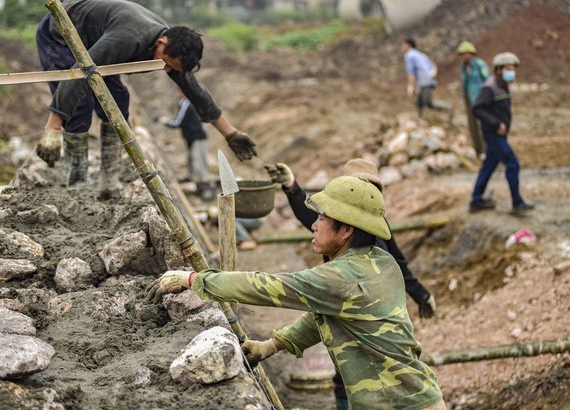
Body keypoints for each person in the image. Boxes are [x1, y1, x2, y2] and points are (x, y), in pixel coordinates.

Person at [149, 176, 445, 409]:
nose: (313, 226)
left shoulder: (340, 278)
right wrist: (272, 345)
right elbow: (326, 315)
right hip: (417, 398)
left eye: (322, 219)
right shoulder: (381, 262)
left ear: (346, 231)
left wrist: (195, 280)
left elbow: (267, 286)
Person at [34, 0, 257, 199]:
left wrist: (230, 133)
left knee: (119, 100)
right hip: (60, 33)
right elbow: (80, 75)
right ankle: (77, 184)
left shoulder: (174, 51)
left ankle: (108, 182)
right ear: (161, 41)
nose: (166, 69)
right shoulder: (128, 39)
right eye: (166, 63)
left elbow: (197, 93)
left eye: (172, 68)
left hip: (95, 44)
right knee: (80, 107)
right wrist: (52, 129)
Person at [265, 159, 436, 410]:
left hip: (374, 309)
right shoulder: (336, 217)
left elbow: (399, 262)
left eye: (370, 186)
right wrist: (292, 187)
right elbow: (309, 216)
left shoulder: (378, 225)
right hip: (343, 303)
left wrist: (421, 294)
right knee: (346, 367)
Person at [470, 52, 534, 214]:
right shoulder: (490, 87)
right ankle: (517, 203)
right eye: (507, 69)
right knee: (512, 164)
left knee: (489, 166)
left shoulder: (502, 86)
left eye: (512, 69)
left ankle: (476, 199)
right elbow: (477, 108)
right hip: (494, 135)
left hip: (498, 135)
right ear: (498, 70)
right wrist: (495, 123)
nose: (510, 72)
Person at [160, 90, 216, 201]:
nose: (177, 94)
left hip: (197, 137)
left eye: (180, 92)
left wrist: (165, 121)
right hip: (193, 138)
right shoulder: (184, 104)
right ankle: (198, 186)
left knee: (198, 162)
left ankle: (206, 188)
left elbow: (177, 122)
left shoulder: (186, 104)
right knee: (193, 161)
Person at [402, 37, 452, 117]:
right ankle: (419, 118)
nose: (402, 47)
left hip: (424, 81)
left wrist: (410, 86)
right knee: (419, 102)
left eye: (404, 45)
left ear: (409, 45)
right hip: (428, 80)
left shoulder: (409, 55)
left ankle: (448, 108)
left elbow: (411, 72)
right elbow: (433, 68)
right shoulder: (421, 55)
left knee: (427, 103)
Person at [458, 41, 491, 158]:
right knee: (472, 124)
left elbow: (488, 80)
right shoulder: (463, 67)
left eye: (466, 54)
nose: (464, 56)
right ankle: (478, 150)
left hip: (480, 98)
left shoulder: (479, 65)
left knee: (481, 124)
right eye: (462, 54)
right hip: (469, 99)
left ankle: (486, 150)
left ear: (471, 54)